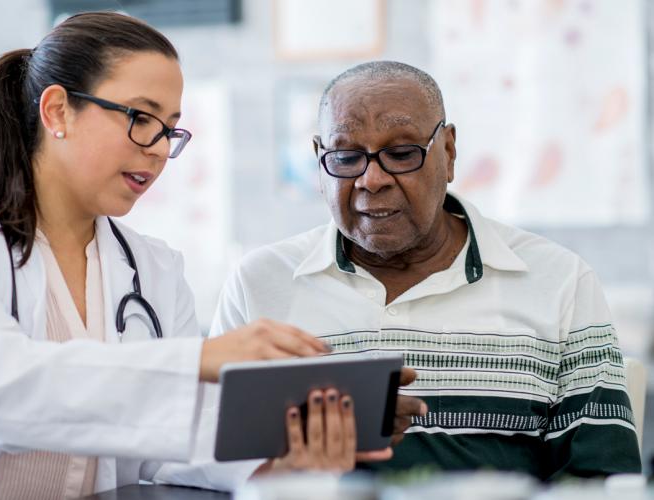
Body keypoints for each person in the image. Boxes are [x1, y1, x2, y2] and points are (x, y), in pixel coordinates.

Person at [0, 13, 399, 500]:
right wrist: (196, 361)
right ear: (57, 111)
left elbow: (171, 441)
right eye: (141, 118)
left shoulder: (154, 268)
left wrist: (282, 451)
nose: (161, 148)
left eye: (170, 128)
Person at [209, 60, 642, 480]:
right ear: (319, 160)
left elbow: (601, 479)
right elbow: (206, 465)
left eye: (401, 154)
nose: (371, 179)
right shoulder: (259, 283)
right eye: (345, 157)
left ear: (449, 152)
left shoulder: (559, 281)